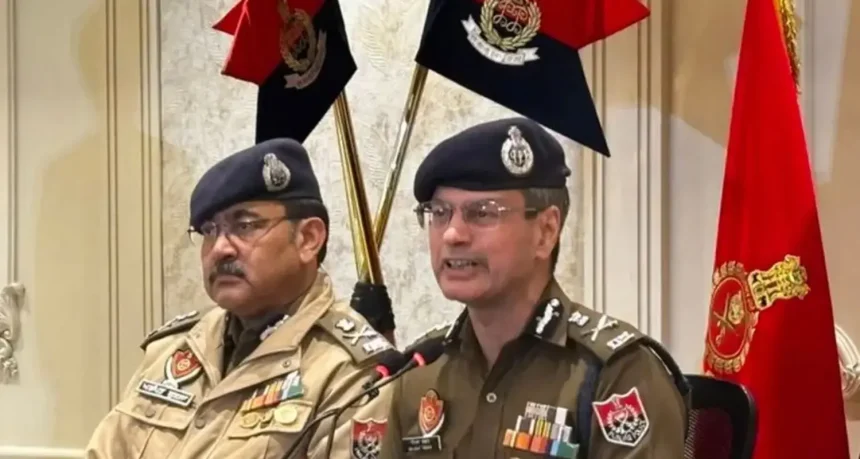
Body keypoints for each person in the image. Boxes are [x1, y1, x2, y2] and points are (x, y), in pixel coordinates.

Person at [380, 118, 690, 458]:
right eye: (439, 213)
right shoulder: (420, 372)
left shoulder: (616, 375)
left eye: (482, 213)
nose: (452, 234)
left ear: (546, 232)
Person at [86, 138, 393, 459]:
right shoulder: (171, 349)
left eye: (245, 226)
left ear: (308, 238)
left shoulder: (353, 371)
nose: (220, 248)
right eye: (209, 230)